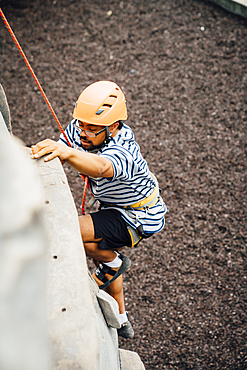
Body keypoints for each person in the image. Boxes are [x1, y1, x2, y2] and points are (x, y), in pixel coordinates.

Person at [30, 81, 167, 339]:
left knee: (68, 229)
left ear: (113, 127)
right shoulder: (80, 128)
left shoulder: (124, 150)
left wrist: (67, 153)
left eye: (92, 128)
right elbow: (63, 148)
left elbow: (102, 167)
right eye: (81, 124)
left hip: (135, 215)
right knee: (99, 249)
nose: (83, 133)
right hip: (113, 206)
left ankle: (112, 264)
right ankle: (122, 314)